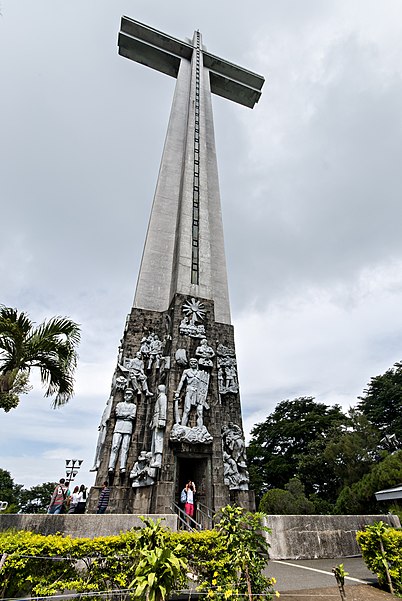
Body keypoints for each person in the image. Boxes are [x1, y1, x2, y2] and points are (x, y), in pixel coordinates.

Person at [108, 388, 137, 473]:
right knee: (115, 447)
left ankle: (122, 466)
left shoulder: (133, 406)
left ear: (132, 396)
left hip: (128, 427)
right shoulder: (119, 404)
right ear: (124, 395)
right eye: (126, 394)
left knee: (125, 447)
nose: (128, 396)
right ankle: (111, 466)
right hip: (118, 427)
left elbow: (133, 416)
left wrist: (123, 415)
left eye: (130, 394)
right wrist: (126, 415)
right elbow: (117, 414)